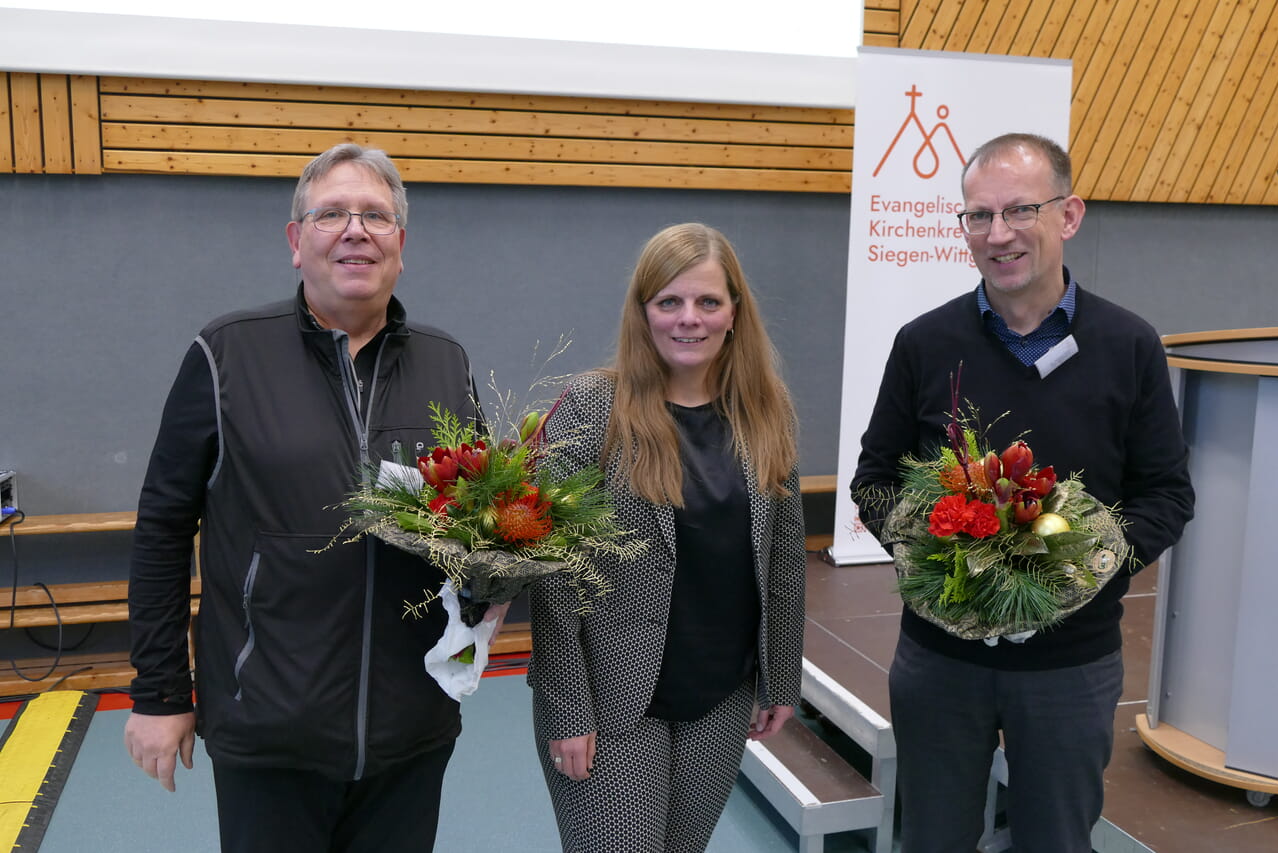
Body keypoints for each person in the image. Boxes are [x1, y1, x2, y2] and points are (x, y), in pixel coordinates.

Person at [124, 143, 500, 852]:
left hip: (411, 732)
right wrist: (159, 691)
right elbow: (163, 529)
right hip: (269, 729)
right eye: (331, 213)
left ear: (401, 244)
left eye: (375, 216)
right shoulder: (226, 352)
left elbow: (477, 526)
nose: (355, 229)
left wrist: (490, 590)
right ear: (297, 242)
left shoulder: (446, 362)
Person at [851, 133, 1195, 852]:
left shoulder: (1130, 345)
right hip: (941, 659)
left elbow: (1165, 493)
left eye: (1018, 210)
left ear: (1068, 216)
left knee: (1057, 840)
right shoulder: (924, 342)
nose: (997, 234)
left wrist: (1077, 573)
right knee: (932, 838)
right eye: (978, 215)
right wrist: (939, 561)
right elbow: (875, 481)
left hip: (1071, 662)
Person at [527, 223, 807, 852]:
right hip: (611, 698)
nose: (690, 319)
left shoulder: (767, 409)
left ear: (734, 312)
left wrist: (781, 678)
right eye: (669, 302)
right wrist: (567, 708)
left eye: (708, 302)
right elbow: (555, 573)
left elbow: (785, 557)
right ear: (643, 312)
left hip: (720, 695)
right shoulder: (594, 406)